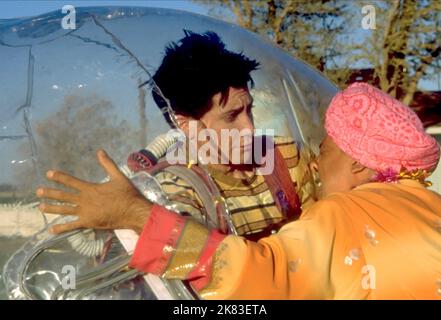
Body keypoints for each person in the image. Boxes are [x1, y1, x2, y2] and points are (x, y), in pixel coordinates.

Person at [36, 45, 441, 300]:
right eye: (232, 115)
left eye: (250, 109)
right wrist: (134, 213)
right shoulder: (175, 190)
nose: (250, 128)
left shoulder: (287, 159)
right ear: (185, 123)